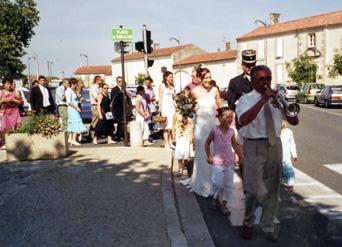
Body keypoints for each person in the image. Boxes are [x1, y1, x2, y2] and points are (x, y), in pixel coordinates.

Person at [236, 65, 298, 242]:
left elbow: (294, 120)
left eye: (268, 78)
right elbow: (243, 120)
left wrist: (285, 107)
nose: (266, 82)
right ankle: (248, 222)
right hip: (254, 145)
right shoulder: (245, 100)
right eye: (262, 79)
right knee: (254, 189)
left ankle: (268, 225)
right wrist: (263, 100)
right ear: (253, 80)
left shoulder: (277, 98)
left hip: (274, 144)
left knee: (273, 188)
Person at [181, 66, 222, 197]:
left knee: (214, 153)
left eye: (210, 77)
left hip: (212, 125)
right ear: (200, 78)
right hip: (200, 127)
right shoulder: (194, 92)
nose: (209, 80)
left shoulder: (215, 90)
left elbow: (220, 106)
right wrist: (188, 118)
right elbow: (187, 107)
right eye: (206, 78)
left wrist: (225, 121)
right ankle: (203, 183)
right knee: (202, 155)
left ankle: (213, 182)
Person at [204, 107, 243, 215]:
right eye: (227, 117)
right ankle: (215, 197)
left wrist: (241, 157)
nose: (230, 119)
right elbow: (207, 143)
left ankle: (224, 204)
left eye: (231, 117)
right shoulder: (215, 130)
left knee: (228, 184)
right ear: (220, 118)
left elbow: (235, 145)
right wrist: (209, 156)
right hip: (217, 162)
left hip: (229, 161)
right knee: (218, 183)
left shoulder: (231, 131)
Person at [227, 49, 256, 181]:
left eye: (252, 65)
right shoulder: (235, 82)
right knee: (244, 154)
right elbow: (231, 103)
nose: (250, 68)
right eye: (247, 65)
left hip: (259, 123)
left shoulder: (261, 79)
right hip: (243, 123)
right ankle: (246, 182)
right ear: (242, 65)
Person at [172, 91, 195, 177]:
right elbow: (173, 125)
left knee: (187, 152)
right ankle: (180, 168)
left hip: (187, 135)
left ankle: (185, 166)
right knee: (179, 151)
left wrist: (192, 136)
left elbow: (192, 126)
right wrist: (173, 135)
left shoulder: (189, 115)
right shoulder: (176, 115)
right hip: (179, 135)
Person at [0, 78, 23, 149]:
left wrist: (13, 100)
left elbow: (21, 102)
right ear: (3, 84)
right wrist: (2, 101)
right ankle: (4, 143)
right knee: (4, 128)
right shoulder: (0, 92)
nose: (9, 85)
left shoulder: (16, 92)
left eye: (10, 84)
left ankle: (16, 142)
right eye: (7, 84)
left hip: (14, 112)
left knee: (17, 127)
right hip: (4, 112)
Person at [111, 76, 133, 142]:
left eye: (122, 81)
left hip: (124, 110)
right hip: (118, 110)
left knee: (123, 124)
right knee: (120, 124)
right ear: (117, 82)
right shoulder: (114, 89)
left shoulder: (124, 89)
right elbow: (114, 101)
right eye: (119, 81)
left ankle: (121, 136)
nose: (121, 83)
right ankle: (118, 136)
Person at [65, 78, 86, 146]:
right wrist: (77, 108)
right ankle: (73, 140)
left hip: (74, 108)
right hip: (72, 109)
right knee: (75, 123)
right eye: (76, 83)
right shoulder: (68, 91)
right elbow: (69, 102)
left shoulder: (72, 90)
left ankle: (71, 139)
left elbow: (76, 99)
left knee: (73, 123)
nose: (76, 85)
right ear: (73, 84)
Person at [158, 71, 176, 149]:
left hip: (172, 107)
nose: (171, 78)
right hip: (165, 108)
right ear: (165, 77)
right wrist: (160, 109)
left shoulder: (172, 86)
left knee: (171, 125)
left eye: (172, 77)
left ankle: (170, 142)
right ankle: (166, 143)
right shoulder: (162, 85)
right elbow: (160, 98)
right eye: (170, 77)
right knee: (166, 126)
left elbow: (174, 98)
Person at [280, 120, 298, 196]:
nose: (284, 123)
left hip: (286, 158)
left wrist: (294, 155)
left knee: (290, 173)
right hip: (276, 159)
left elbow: (292, 144)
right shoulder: (274, 132)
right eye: (282, 122)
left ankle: (290, 188)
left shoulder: (289, 132)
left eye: (285, 122)